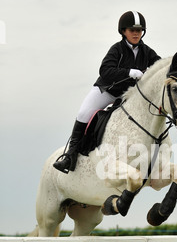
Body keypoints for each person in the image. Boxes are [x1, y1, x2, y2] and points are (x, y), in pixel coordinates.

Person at [53, 11, 161, 174]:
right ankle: (70, 155)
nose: (136, 33)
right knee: (84, 113)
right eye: (132, 30)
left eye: (139, 31)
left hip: (129, 96)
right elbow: (105, 70)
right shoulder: (117, 49)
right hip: (108, 90)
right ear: (124, 31)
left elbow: (160, 67)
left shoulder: (147, 52)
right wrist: (128, 72)